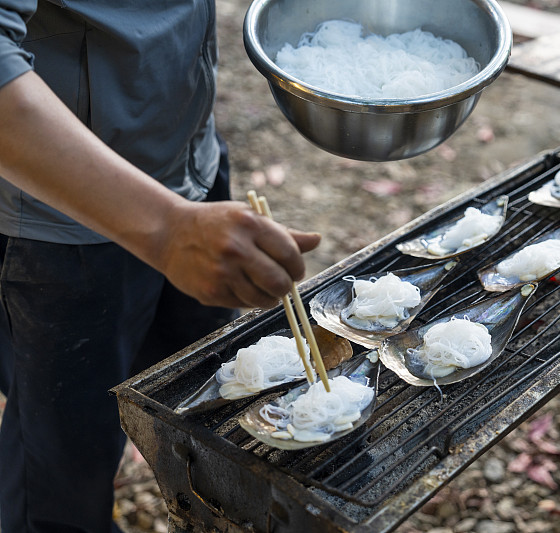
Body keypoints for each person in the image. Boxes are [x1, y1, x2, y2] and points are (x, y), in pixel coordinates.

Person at [0, 1, 320, 531]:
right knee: (61, 478)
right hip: (61, 225)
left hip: (188, 161)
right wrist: (166, 229)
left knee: (206, 403)